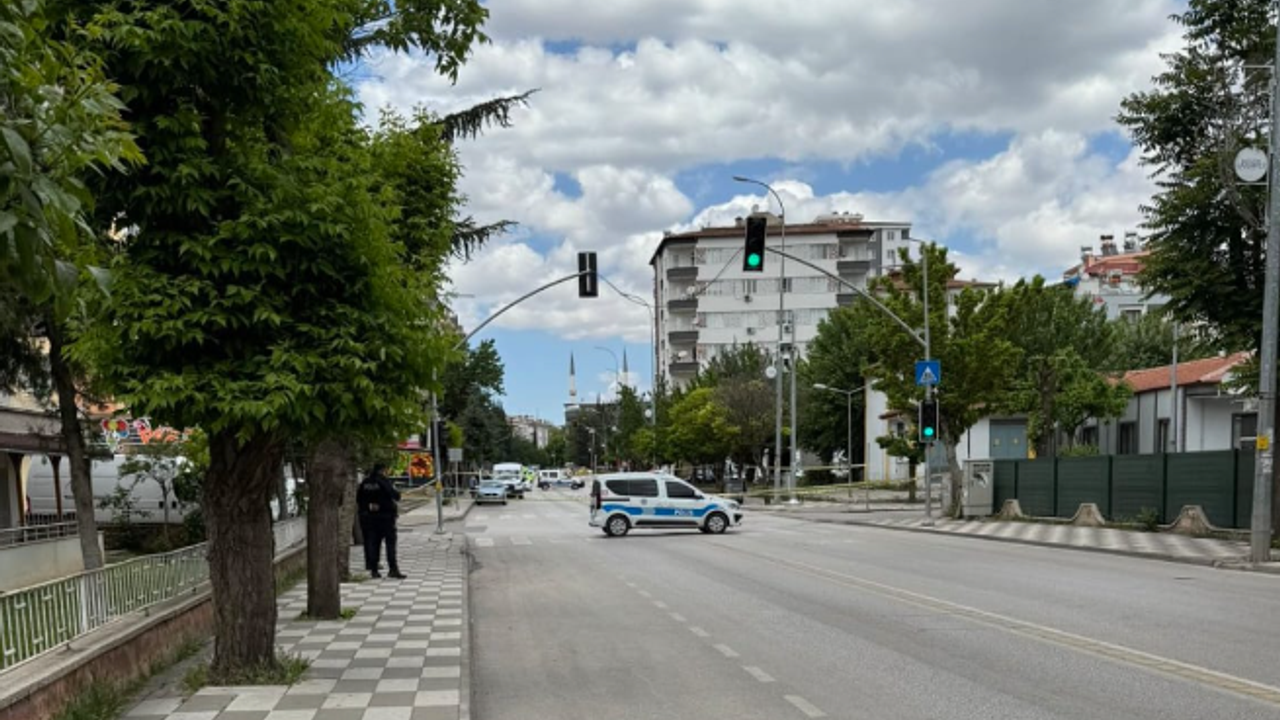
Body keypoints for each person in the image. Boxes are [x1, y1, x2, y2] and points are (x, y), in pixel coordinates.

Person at [356, 462, 404, 579]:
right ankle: (393, 569)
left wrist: (367, 509)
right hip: (386, 517)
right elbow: (395, 495)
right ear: (383, 470)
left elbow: (359, 499)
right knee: (390, 544)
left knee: (374, 544)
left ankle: (374, 570)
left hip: (370, 517)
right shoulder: (383, 481)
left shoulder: (365, 482)